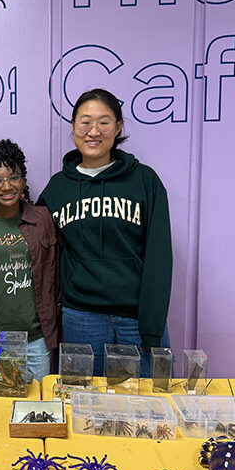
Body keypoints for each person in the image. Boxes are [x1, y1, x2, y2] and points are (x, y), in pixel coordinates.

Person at [38, 88, 172, 378]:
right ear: (73, 126)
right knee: (85, 412)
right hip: (81, 319)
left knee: (145, 411)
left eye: (104, 121)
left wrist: (151, 329)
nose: (93, 131)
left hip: (137, 320)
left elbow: (160, 258)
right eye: (85, 122)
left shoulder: (144, 181)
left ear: (119, 126)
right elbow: (29, 227)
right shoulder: (58, 188)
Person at [0, 140, 60, 383]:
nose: (6, 186)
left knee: (36, 409)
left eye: (14, 177)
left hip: (35, 339)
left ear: (24, 181)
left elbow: (56, 272)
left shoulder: (42, 219)